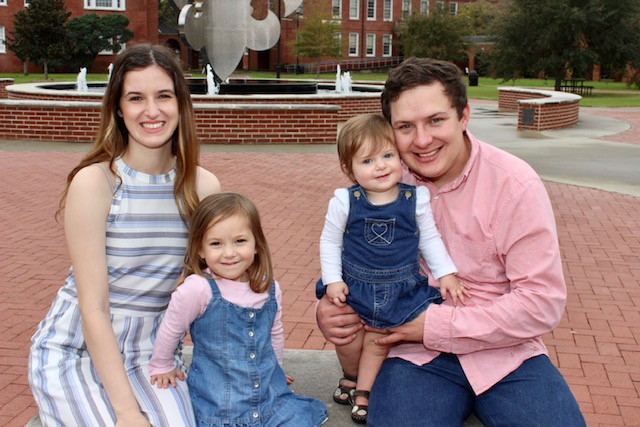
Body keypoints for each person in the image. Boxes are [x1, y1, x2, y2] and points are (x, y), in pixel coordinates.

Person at [316, 57, 586, 426]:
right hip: (414, 354)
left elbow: (542, 303)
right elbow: (349, 258)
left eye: (436, 120)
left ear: (463, 116)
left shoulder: (514, 185)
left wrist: (436, 326)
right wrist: (331, 310)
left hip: (505, 352)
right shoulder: (382, 184)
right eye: (406, 127)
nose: (423, 140)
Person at [28, 43, 221, 426]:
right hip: (77, 347)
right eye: (136, 98)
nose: (152, 111)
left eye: (163, 96)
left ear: (181, 103)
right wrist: (127, 412)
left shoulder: (202, 187)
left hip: (153, 352)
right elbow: (93, 308)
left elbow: (212, 290)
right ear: (118, 107)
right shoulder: (97, 182)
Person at [315, 114, 468, 424]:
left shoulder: (415, 199)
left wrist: (446, 273)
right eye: (368, 160)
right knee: (349, 338)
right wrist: (332, 280)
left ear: (400, 158)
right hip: (355, 285)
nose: (381, 166)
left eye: (388, 155)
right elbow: (329, 242)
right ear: (350, 169)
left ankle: (364, 391)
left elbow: (429, 239)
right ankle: (350, 374)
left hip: (400, 286)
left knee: (379, 339)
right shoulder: (345, 201)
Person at [149, 192, 328, 427]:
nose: (229, 253)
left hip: (268, 400)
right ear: (200, 250)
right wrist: (162, 364)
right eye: (216, 244)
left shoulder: (268, 288)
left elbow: (274, 333)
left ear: (256, 244)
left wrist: (275, 370)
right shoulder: (198, 289)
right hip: (219, 406)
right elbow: (172, 328)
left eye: (240, 241)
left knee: (297, 419)